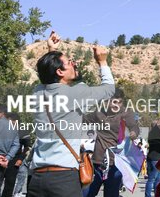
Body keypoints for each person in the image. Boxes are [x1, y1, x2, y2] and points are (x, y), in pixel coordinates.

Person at [28, 30, 116, 197]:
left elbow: (49, 78)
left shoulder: (37, 93)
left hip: (37, 178)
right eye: (69, 62)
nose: (74, 64)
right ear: (60, 72)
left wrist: (51, 52)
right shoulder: (75, 94)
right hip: (63, 179)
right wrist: (103, 62)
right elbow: (109, 89)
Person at [83, 88, 139, 197]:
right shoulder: (99, 113)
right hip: (97, 162)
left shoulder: (126, 113)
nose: (117, 105)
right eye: (114, 102)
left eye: (120, 102)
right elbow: (83, 119)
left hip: (116, 164)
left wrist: (133, 133)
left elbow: (134, 126)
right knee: (87, 194)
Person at [1, 113, 30, 197]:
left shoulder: (23, 131)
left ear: (15, 121)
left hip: (14, 160)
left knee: (9, 184)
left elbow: (27, 147)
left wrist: (20, 159)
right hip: (1, 158)